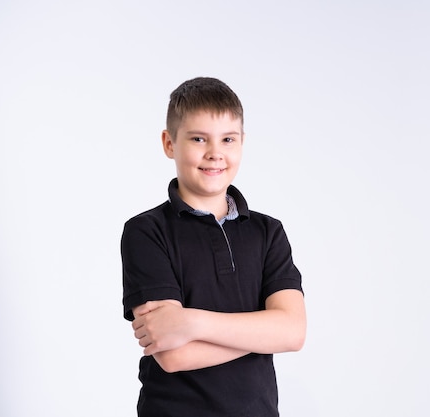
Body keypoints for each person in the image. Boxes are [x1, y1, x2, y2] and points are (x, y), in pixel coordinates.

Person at [121, 77, 306, 417]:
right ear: (169, 143)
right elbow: (174, 355)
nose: (215, 153)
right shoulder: (145, 232)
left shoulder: (268, 232)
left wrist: (192, 323)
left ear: (242, 143)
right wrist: (262, 332)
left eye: (227, 139)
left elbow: (293, 333)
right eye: (198, 138)